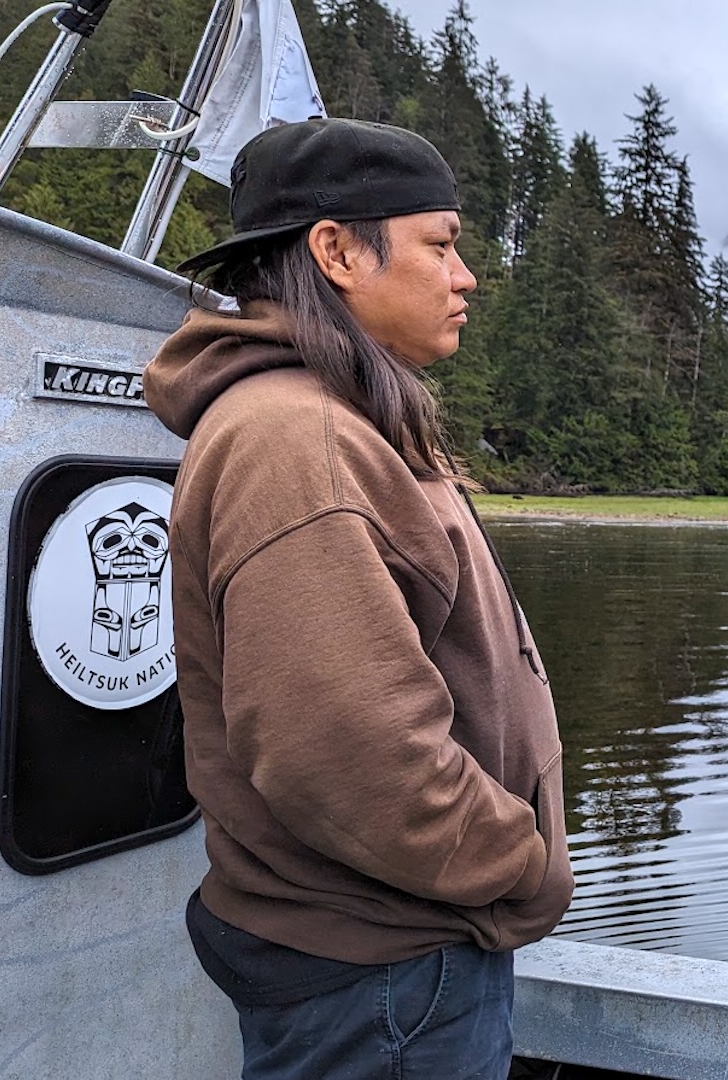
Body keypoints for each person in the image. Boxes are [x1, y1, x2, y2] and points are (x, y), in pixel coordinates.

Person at [144, 118, 573, 1080]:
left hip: (389, 958)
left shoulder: (327, 420)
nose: (465, 277)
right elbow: (346, 753)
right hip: (385, 977)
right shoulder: (299, 443)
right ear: (337, 251)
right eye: (443, 243)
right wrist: (521, 863)